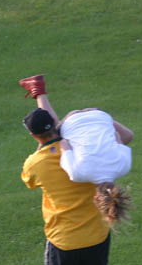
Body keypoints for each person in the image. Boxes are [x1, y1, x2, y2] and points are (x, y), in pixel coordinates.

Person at [19, 75, 124, 265]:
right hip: (98, 235)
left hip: (64, 241)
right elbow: (60, 129)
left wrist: (40, 98)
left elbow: (31, 176)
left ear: (33, 136)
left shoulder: (35, 163)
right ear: (57, 126)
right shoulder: (82, 150)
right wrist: (41, 94)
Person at [20, 75, 134, 226]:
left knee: (128, 136)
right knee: (54, 132)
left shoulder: (124, 166)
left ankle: (38, 89)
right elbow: (64, 144)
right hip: (73, 119)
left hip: (99, 115)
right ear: (96, 198)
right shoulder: (78, 174)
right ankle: (38, 90)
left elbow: (117, 136)